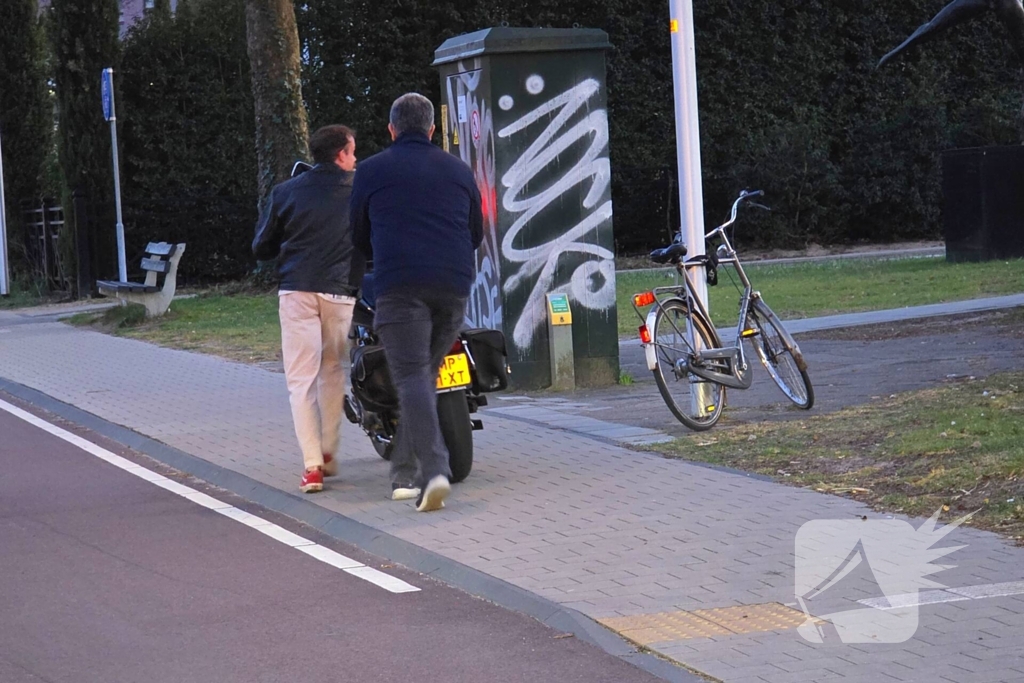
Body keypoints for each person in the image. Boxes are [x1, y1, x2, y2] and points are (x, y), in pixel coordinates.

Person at [350, 93, 483, 512]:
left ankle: (435, 470)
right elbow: (475, 231)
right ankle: (403, 474)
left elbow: (357, 233)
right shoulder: (459, 170)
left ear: (390, 129)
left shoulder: (370, 171)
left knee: (410, 379)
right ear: (433, 130)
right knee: (422, 377)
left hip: (401, 287)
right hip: (454, 287)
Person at [253, 125, 363, 494]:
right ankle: (330, 449)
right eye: (353, 151)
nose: (355, 158)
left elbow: (261, 246)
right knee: (332, 369)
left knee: (300, 380)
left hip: (296, 290)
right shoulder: (357, 191)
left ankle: (312, 466)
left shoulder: (286, 192)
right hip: (341, 291)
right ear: (340, 154)